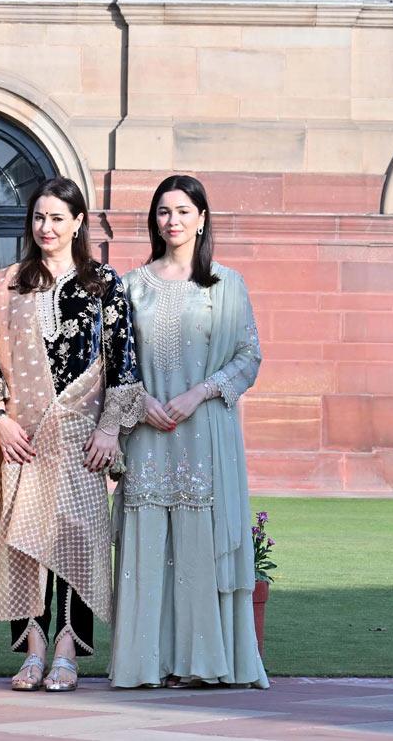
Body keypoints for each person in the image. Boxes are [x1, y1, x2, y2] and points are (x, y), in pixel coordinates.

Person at [0, 176, 144, 693]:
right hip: (23, 436)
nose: (46, 227)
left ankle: (67, 649)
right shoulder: (6, 284)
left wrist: (111, 430)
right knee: (22, 544)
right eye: (39, 217)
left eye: (57, 218)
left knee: (77, 539)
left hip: (82, 437)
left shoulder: (103, 282)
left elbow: (123, 361)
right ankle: (33, 651)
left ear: (78, 222)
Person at [108, 174, 269, 689]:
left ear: (201, 219)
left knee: (200, 540)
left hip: (206, 432)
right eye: (163, 212)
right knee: (149, 541)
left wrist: (199, 392)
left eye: (182, 211)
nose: (172, 221)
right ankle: (147, 664)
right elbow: (113, 362)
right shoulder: (130, 286)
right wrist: (142, 401)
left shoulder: (227, 284)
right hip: (148, 431)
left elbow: (249, 357)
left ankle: (203, 663)